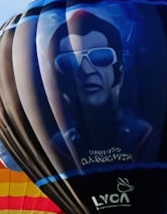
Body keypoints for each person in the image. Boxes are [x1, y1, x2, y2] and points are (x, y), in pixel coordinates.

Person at [46, 10, 155, 167]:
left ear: (119, 71)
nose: (87, 69)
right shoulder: (58, 146)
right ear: (60, 80)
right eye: (69, 61)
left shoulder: (144, 136)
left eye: (100, 56)